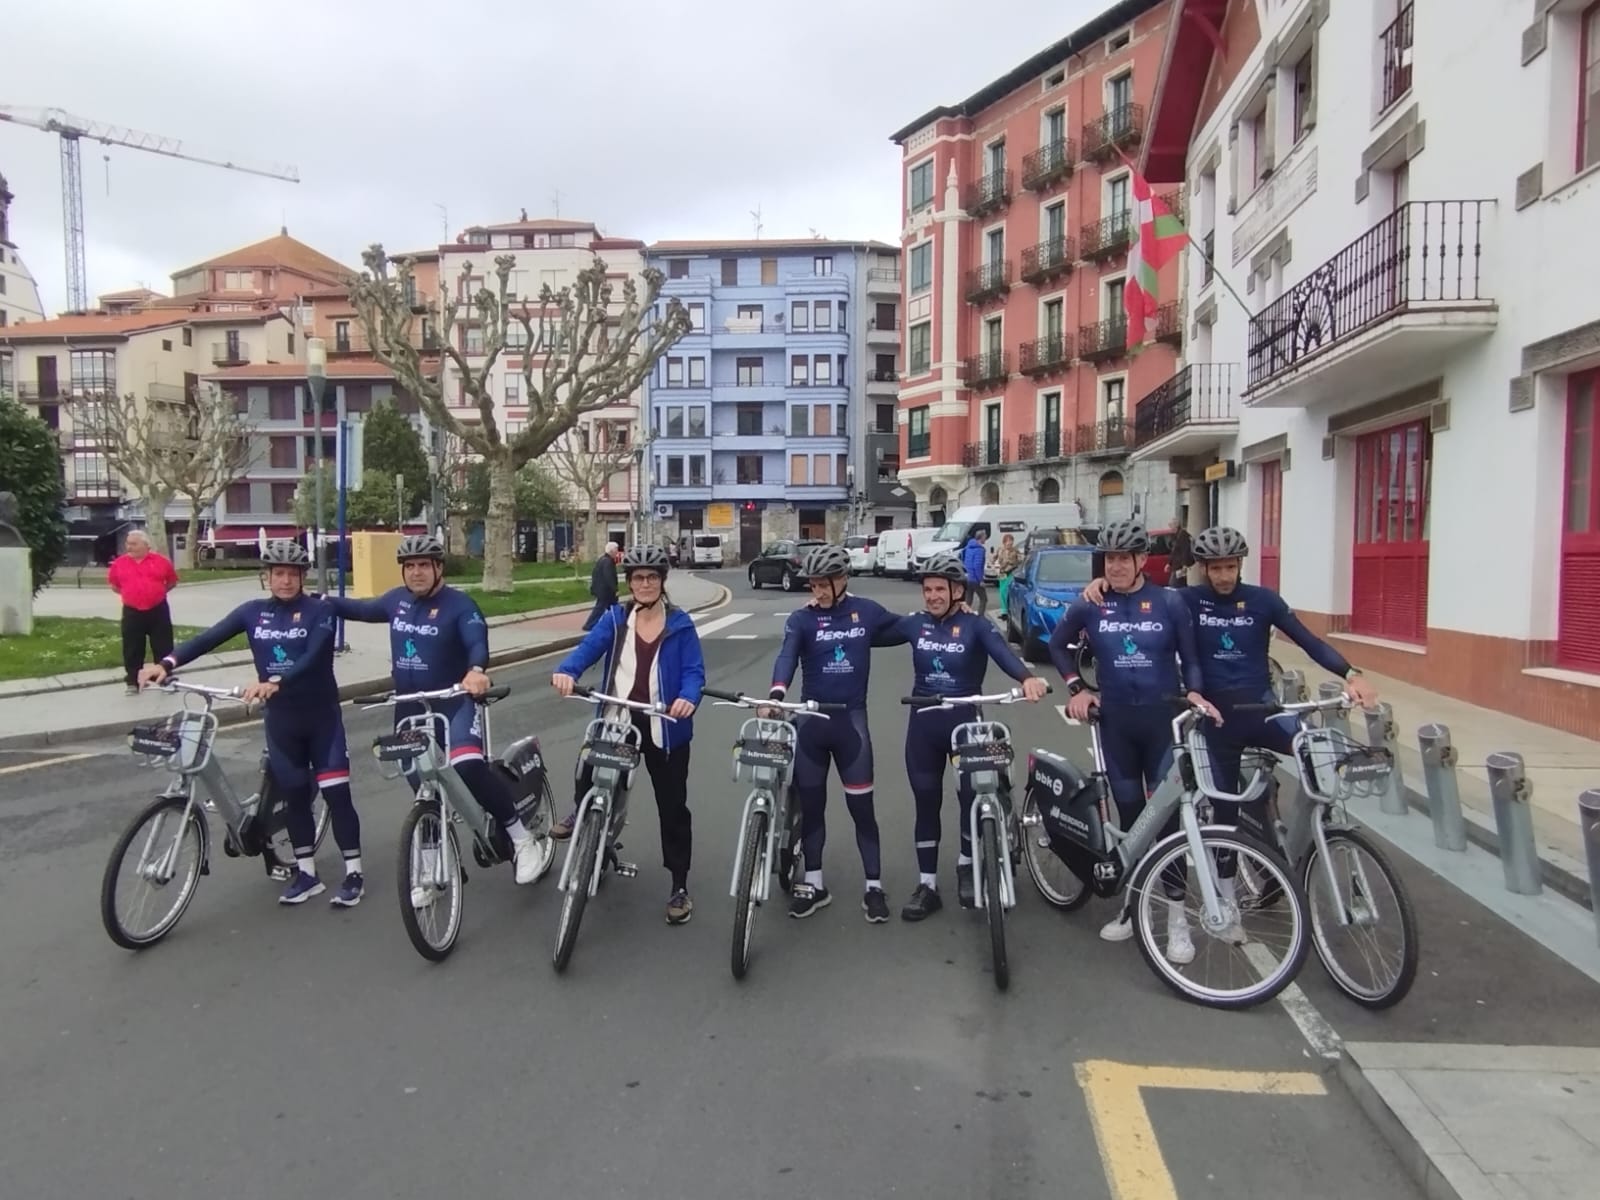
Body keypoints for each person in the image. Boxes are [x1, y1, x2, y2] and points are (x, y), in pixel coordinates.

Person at [1084, 525, 1379, 860]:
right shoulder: (1186, 599)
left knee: (1316, 756)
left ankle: (1307, 839)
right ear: (1204, 569)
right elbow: (1140, 596)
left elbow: (1308, 641)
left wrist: (1352, 674)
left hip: (1263, 710)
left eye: (1230, 567)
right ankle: (1226, 891)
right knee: (1226, 814)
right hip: (1218, 720)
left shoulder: (1264, 600)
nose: (1223, 576)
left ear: (1240, 565)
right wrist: (1103, 585)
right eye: (1215, 568)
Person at [138, 540, 365, 907]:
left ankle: (353, 871)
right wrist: (165, 664)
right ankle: (307, 874)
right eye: (279, 574)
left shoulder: (319, 610)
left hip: (321, 718)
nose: (286, 581)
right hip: (281, 721)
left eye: (293, 574)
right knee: (293, 795)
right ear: (267, 577)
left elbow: (313, 656)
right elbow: (207, 639)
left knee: (336, 793)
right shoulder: (252, 612)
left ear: (302, 577)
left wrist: (275, 682)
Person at [321, 533, 551, 891]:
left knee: (467, 764)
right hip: (409, 706)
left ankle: (522, 839)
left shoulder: (461, 606)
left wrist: (476, 671)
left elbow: (477, 643)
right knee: (422, 789)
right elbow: (361, 610)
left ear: (438, 568)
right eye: (409, 566)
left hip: (455, 700)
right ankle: (431, 867)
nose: (415, 573)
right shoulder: (396, 602)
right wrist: (318, 601)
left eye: (423, 566)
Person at [1047, 519, 1218, 964]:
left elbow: (1192, 657)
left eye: (1125, 558)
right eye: (1110, 558)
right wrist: (1076, 688)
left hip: (1162, 722)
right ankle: (1132, 905)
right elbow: (1057, 646)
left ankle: (1178, 919)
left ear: (1143, 560)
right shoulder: (1090, 604)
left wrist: (1196, 692)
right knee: (1130, 820)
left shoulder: (1169, 602)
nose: (1117, 565)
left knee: (1167, 824)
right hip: (1117, 723)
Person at [551, 543, 705, 925]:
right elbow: (589, 649)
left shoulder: (680, 624)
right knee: (589, 765)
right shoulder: (616, 619)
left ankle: (679, 885)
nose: (646, 583)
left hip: (663, 725)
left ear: (662, 581)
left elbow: (694, 671)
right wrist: (568, 671)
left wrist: (687, 698)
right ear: (630, 583)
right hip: (618, 716)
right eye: (639, 578)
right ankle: (584, 815)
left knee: (672, 807)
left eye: (653, 577)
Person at [891, 552, 1049, 921]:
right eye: (927, 589)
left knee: (969, 798)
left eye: (939, 589)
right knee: (926, 801)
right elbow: (869, 629)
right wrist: (824, 606)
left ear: (957, 589)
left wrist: (1027, 679)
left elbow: (1003, 654)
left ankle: (966, 864)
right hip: (924, 725)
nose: (932, 596)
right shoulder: (915, 625)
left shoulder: (976, 626)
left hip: (966, 724)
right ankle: (927, 885)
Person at [763, 542, 909, 923]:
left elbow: (910, 627)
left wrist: (948, 613)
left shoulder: (866, 613)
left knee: (862, 810)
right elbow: (786, 657)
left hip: (851, 727)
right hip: (811, 725)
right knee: (812, 809)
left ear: (843, 579)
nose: (817, 590)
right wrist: (777, 693)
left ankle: (873, 887)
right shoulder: (801, 619)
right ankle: (814, 883)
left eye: (824, 583)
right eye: (812, 584)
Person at [109, 529, 179, 695]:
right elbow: (115, 586)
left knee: (163, 645)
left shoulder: (161, 561)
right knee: (132, 647)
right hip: (132, 611)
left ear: (146, 545)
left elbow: (171, 582)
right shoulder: (119, 564)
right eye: (128, 543)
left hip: (158, 609)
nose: (129, 547)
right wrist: (132, 595)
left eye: (134, 544)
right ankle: (133, 681)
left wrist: (156, 593)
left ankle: (165, 677)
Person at [584, 541, 621, 631]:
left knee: (612, 607)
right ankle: (589, 625)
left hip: (602, 590)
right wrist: (615, 589)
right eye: (616, 551)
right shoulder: (607, 562)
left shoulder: (602, 560)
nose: (617, 553)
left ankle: (618, 622)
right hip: (605, 591)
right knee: (601, 608)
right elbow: (609, 577)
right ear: (611, 551)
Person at [961, 528, 989, 616]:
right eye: (985, 536)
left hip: (967, 576)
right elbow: (977, 566)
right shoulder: (980, 550)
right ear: (981, 538)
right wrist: (980, 580)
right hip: (975, 578)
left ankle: (964, 617)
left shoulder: (968, 547)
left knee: (968, 599)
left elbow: (962, 557)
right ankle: (980, 617)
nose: (986, 538)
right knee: (983, 599)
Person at [993, 532, 1022, 616]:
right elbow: (994, 559)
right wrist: (994, 565)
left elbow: (1021, 561)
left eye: (1011, 541)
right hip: (1002, 573)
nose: (1010, 543)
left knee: (1007, 590)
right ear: (1004, 542)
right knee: (1002, 591)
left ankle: (1009, 610)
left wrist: (1014, 563)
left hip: (1011, 573)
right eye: (1008, 541)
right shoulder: (1000, 549)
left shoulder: (1015, 551)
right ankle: (1004, 611)